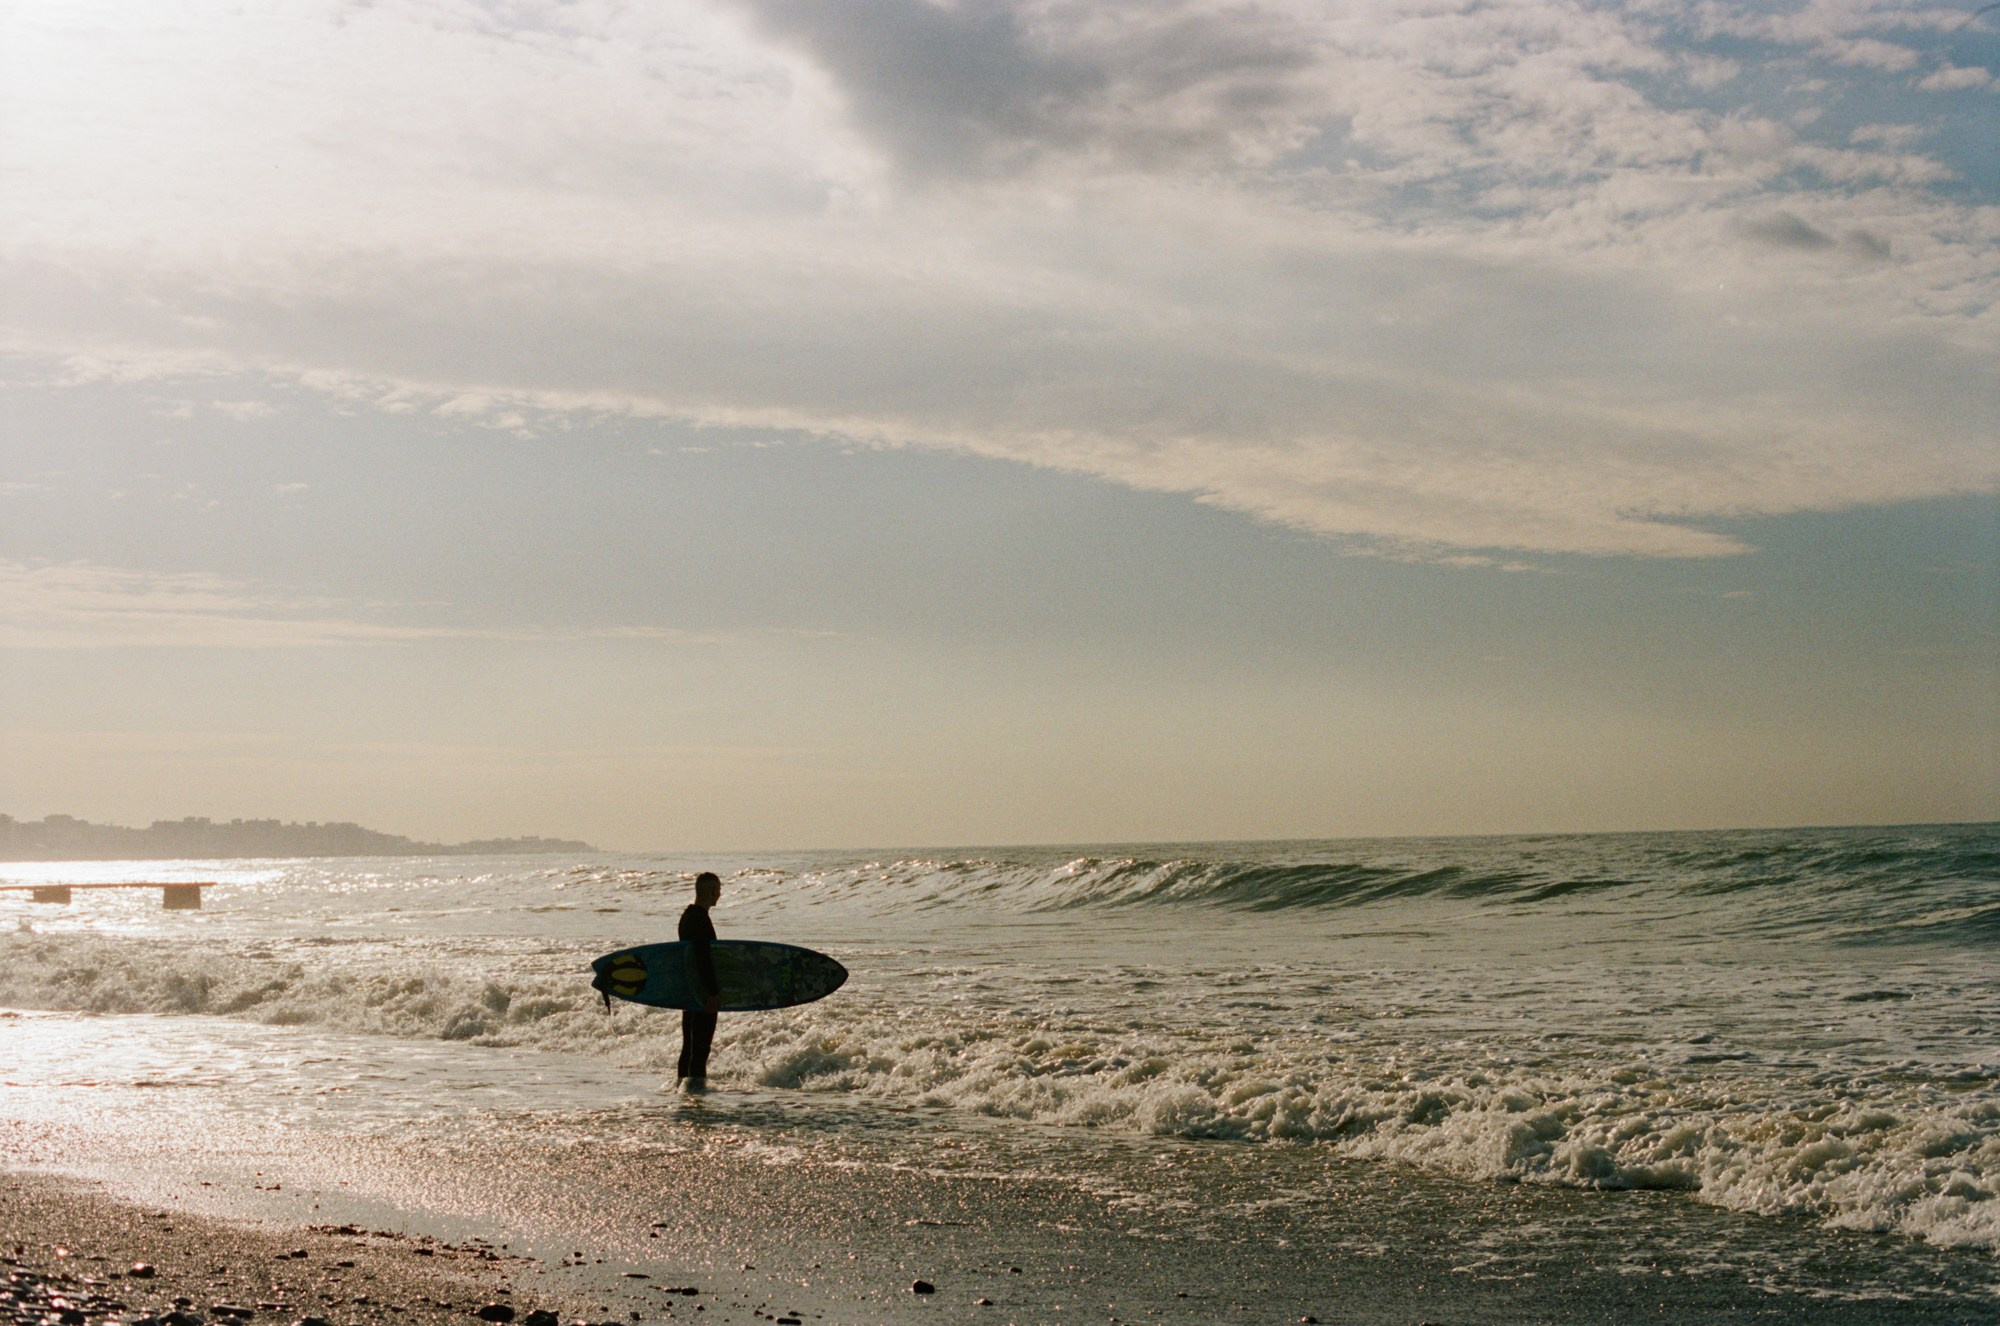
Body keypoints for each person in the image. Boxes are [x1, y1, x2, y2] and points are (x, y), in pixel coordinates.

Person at [677, 870, 723, 1090]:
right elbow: (703, 958)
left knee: (690, 1046)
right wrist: (713, 992)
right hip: (702, 992)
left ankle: (683, 1090)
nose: (720, 895)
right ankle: (696, 1095)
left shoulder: (687, 916)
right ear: (712, 891)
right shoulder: (700, 919)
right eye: (718, 890)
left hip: (690, 991)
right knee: (700, 1048)